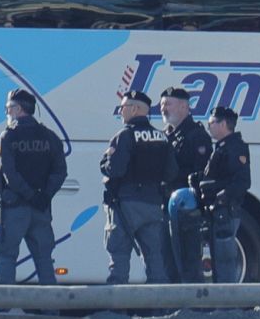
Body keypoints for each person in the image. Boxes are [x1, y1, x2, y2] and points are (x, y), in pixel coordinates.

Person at [100, 90, 177, 284]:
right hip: (153, 204)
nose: (121, 111)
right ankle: (161, 309)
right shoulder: (162, 137)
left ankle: (116, 308)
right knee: (155, 259)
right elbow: (171, 173)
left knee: (119, 257)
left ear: (134, 109)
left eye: (123, 107)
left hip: (126, 204)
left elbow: (114, 170)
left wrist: (105, 161)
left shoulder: (124, 136)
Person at [0, 88, 66, 285]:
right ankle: (52, 310)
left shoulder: (8, 136)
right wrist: (44, 195)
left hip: (15, 208)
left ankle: (3, 311)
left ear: (19, 109)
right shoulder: (50, 136)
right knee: (44, 261)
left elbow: (9, 174)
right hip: (41, 209)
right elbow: (60, 172)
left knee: (6, 258)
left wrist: (29, 195)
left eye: (9, 108)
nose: (7, 113)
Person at [158, 87, 210, 283]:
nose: (163, 109)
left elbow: (201, 173)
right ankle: (174, 306)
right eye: (162, 104)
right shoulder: (166, 135)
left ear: (183, 106)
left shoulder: (196, 136)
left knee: (187, 261)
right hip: (167, 205)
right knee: (168, 260)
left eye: (168, 104)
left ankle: (193, 307)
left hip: (186, 210)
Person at [193, 104, 250, 283]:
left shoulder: (235, 148)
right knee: (217, 260)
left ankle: (228, 306)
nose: (209, 127)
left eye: (211, 123)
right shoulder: (221, 147)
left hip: (225, 211)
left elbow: (242, 182)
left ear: (223, 124)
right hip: (216, 212)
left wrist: (221, 195)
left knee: (225, 261)